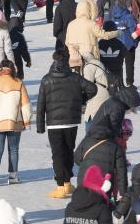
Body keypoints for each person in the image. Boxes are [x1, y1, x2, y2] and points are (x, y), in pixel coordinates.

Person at [36, 42, 98, 199]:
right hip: (71, 120)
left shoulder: (46, 79)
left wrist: (40, 125)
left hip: (54, 123)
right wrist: (81, 100)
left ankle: (60, 185)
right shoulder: (74, 77)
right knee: (68, 151)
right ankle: (67, 183)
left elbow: (41, 103)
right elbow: (93, 89)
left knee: (57, 154)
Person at [0, 59, 30, 187]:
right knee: (13, 149)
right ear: (12, 69)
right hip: (15, 122)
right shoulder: (18, 82)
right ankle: (13, 176)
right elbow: (26, 105)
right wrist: (27, 121)